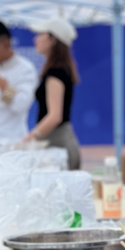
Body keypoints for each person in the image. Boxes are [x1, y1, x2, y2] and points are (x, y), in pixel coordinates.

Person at [24, 18, 81, 170]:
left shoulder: (55, 73)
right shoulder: (60, 69)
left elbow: (55, 116)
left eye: (40, 34)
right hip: (58, 142)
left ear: (53, 39)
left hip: (57, 144)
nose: (36, 39)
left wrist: (30, 138)